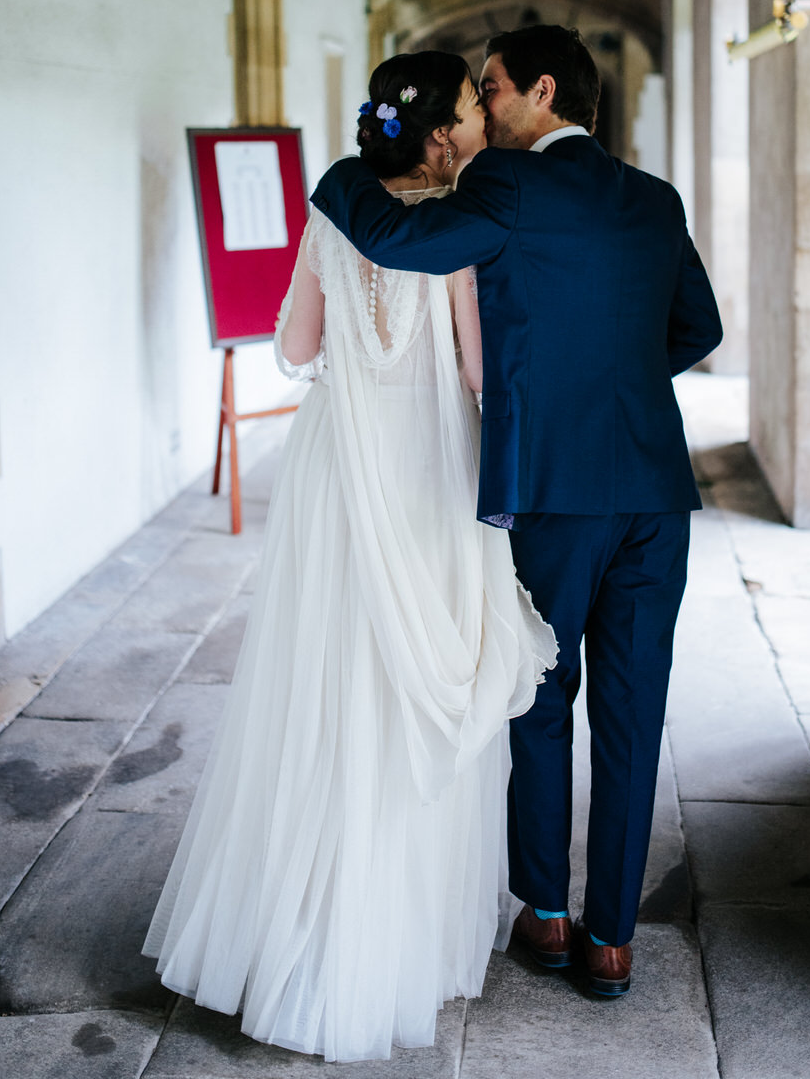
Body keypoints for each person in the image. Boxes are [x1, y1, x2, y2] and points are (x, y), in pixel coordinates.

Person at [143, 52, 556, 1062]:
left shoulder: (335, 212)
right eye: (464, 106)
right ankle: (399, 942)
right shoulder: (455, 225)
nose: (471, 120)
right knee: (418, 693)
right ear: (434, 134)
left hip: (338, 463)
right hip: (428, 466)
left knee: (324, 688)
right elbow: (471, 365)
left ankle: (301, 929)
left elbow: (291, 345)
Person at [311, 23, 722, 998]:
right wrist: (613, 376)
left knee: (540, 694)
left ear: (542, 91)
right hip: (656, 498)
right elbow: (697, 326)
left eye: (490, 90)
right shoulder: (653, 199)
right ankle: (612, 938)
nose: (482, 109)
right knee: (633, 710)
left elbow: (395, 235)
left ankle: (543, 913)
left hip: (555, 493)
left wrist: (340, 167)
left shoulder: (508, 187)